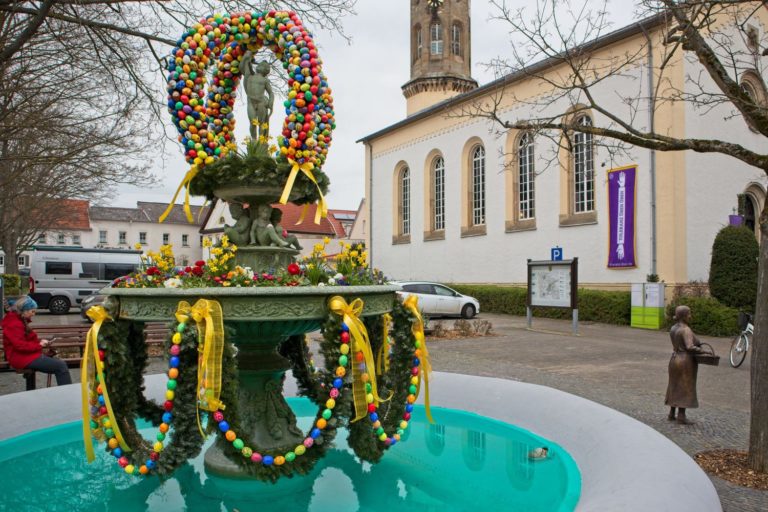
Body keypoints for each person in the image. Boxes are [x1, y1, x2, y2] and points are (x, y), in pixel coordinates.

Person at [1, 296, 72, 386]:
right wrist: (39, 345)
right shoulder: (14, 324)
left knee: (59, 364)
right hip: (21, 358)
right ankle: (66, 395)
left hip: (23, 356)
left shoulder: (17, 320)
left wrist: (39, 342)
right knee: (61, 366)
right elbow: (20, 346)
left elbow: (24, 341)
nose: (34, 314)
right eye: (32, 311)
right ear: (24, 310)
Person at [665, 305, 702, 425]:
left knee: (674, 385)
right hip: (685, 361)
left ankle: (671, 413)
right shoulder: (686, 329)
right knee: (685, 387)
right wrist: (702, 351)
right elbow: (690, 346)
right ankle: (681, 415)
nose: (690, 316)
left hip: (674, 359)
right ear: (684, 316)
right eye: (689, 314)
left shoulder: (673, 328)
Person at [241, 51, 274, 140]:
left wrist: (270, 102)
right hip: (251, 102)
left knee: (261, 123)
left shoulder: (265, 80)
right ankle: (254, 140)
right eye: (260, 65)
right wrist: (247, 58)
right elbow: (243, 67)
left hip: (261, 103)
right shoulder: (250, 76)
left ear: (266, 70)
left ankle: (261, 141)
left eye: (263, 66)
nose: (259, 66)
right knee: (252, 122)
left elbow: (271, 92)